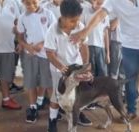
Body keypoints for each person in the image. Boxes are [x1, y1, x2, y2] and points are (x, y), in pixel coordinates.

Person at [70, 0, 139, 128]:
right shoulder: (114, 1)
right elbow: (100, 14)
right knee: (130, 82)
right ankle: (131, 111)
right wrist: (85, 31)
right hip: (129, 47)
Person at [44, 0, 92, 131]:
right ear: (63, 17)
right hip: (59, 70)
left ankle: (78, 113)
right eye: (72, 21)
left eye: (78, 20)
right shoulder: (52, 30)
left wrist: (86, 64)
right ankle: (52, 120)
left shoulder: (80, 26)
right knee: (56, 96)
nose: (76, 23)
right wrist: (60, 66)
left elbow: (84, 47)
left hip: (76, 68)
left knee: (78, 94)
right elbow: (49, 53)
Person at [17, 0, 55, 123]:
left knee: (48, 83)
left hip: (46, 55)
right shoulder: (22, 17)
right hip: (30, 55)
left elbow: (54, 34)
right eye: (28, 3)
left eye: (34, 2)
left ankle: (54, 110)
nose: (32, 6)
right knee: (31, 82)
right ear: (23, 2)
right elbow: (20, 37)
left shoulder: (48, 14)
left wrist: (42, 44)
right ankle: (33, 108)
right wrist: (26, 46)